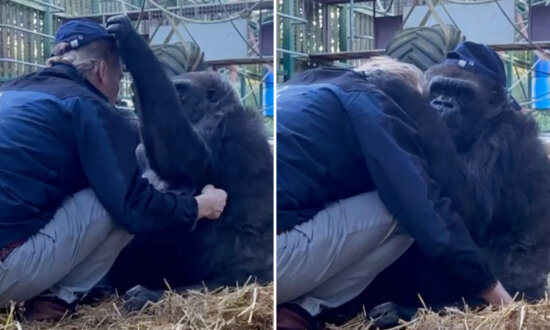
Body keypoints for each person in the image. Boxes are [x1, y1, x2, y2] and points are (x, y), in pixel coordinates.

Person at [0, 18, 227, 321]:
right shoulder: (87, 106)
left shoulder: (10, 92)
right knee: (120, 200)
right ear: (103, 71)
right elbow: (133, 206)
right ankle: (54, 301)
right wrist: (199, 206)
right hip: (7, 270)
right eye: (120, 79)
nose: (119, 91)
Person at [276, 56, 512, 329]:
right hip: (276, 266)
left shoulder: (305, 87)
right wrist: (496, 294)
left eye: (458, 94)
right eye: (435, 95)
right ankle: (300, 309)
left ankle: (294, 312)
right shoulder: (373, 102)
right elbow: (422, 210)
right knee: (402, 208)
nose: (440, 107)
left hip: (262, 259)